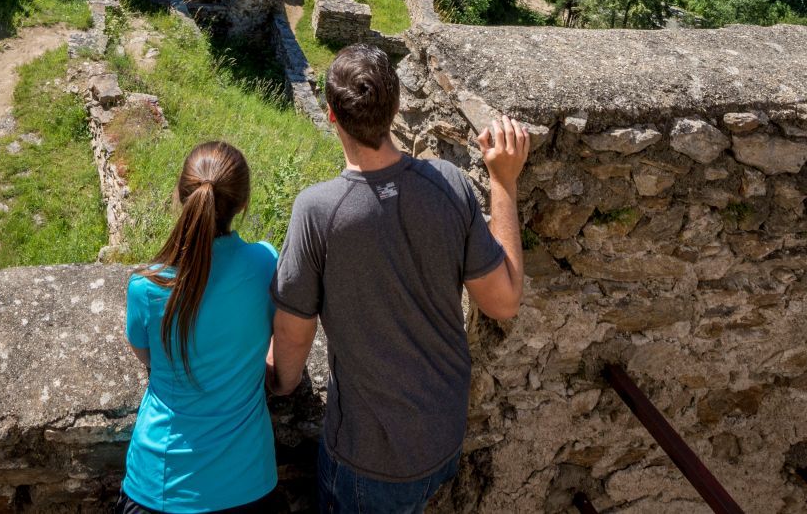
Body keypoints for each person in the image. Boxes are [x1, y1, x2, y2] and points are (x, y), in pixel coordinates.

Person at [266, 44, 530, 514]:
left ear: (330, 115)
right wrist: (504, 183)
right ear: (395, 108)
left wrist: (278, 387)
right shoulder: (449, 184)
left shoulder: (318, 211)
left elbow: (292, 339)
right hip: (443, 434)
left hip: (368, 457)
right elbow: (505, 301)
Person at [121, 140, 285, 514]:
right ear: (243, 205)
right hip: (248, 481)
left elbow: (145, 355)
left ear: (181, 197)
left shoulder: (147, 286)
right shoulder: (266, 264)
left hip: (160, 484)